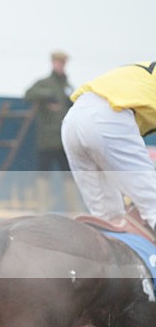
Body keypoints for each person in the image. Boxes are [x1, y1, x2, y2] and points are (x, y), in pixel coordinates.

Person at [61, 62, 156, 234]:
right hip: (110, 117)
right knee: (153, 206)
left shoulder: (139, 73)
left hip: (72, 120)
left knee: (108, 219)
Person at [23, 51, 75, 210]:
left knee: (69, 175)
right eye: (57, 62)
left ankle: (73, 210)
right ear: (53, 63)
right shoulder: (45, 83)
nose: (60, 65)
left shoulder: (68, 86)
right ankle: (42, 209)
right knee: (43, 175)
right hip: (46, 140)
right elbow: (28, 94)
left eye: (62, 62)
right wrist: (47, 95)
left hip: (64, 139)